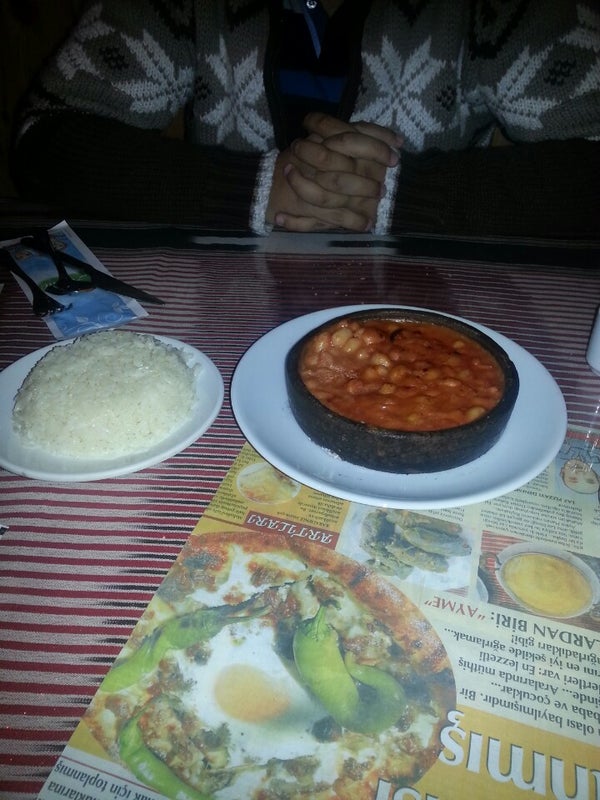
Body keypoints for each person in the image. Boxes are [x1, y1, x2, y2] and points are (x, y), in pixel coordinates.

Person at [10, 0, 600, 238]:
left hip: (431, 307)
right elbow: (44, 140)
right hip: (219, 305)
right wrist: (256, 189)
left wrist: (396, 197)